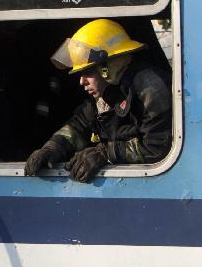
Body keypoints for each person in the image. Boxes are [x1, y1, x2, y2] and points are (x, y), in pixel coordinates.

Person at [24, 19, 172, 182]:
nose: (81, 81)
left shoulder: (151, 89)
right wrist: (52, 148)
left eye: (87, 72)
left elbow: (157, 148)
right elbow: (77, 127)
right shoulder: (105, 94)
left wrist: (105, 152)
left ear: (107, 67)